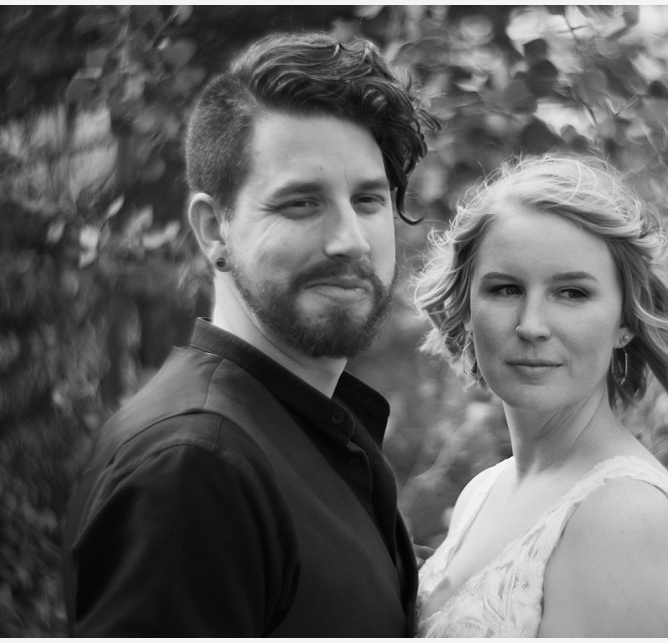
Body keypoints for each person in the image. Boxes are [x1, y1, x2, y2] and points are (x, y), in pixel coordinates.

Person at [62, 31, 436, 636]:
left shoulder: (299, 430)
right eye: (301, 204)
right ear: (214, 229)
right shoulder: (193, 468)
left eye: (368, 200)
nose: (351, 239)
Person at [412, 154, 668, 637]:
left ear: (624, 322)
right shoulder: (482, 493)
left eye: (571, 293)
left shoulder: (625, 516)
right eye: (506, 289)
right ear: (468, 309)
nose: (532, 325)